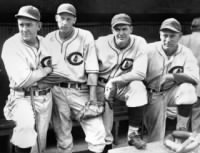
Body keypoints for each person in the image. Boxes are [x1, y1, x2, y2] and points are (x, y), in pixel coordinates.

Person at [44, 3, 106, 153]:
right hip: (57, 90)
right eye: (61, 18)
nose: (64, 22)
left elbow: (92, 69)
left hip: (80, 90)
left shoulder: (85, 36)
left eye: (68, 18)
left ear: (74, 20)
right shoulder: (49, 38)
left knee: (97, 135)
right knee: (63, 137)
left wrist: (92, 99)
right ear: (56, 18)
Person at [1, 5, 53, 153]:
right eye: (21, 25)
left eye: (29, 24)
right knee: (25, 139)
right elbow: (23, 80)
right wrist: (46, 70)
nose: (24, 29)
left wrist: (38, 74)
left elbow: (59, 71)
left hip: (45, 98)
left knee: (40, 144)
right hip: (21, 97)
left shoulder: (46, 43)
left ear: (39, 26)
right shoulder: (11, 45)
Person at [95, 13, 148, 151]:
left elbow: (140, 73)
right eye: (117, 29)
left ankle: (132, 134)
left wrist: (114, 81)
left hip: (121, 85)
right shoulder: (100, 43)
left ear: (131, 29)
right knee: (105, 126)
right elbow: (88, 68)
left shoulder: (139, 42)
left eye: (124, 29)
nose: (121, 32)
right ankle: (106, 148)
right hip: (101, 85)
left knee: (138, 87)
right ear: (112, 30)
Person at [143, 18, 199, 142]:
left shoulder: (186, 52)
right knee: (155, 137)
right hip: (152, 93)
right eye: (164, 35)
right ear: (160, 34)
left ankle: (181, 128)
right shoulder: (148, 49)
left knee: (188, 89)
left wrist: (171, 76)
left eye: (172, 36)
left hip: (172, 91)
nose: (167, 40)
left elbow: (195, 78)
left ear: (180, 36)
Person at [179, 17, 200, 133]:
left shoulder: (182, 40)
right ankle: (195, 145)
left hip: (184, 85)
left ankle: (181, 142)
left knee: (182, 116)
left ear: (191, 28)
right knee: (197, 117)